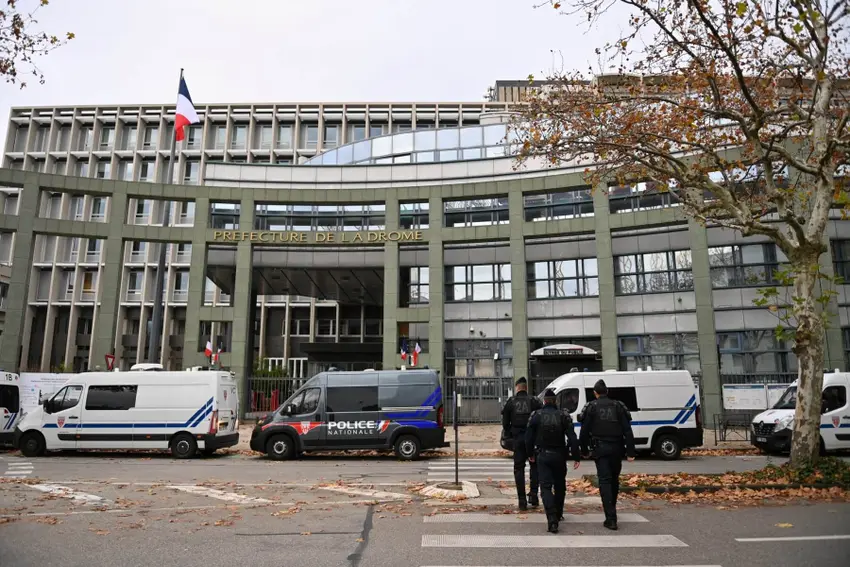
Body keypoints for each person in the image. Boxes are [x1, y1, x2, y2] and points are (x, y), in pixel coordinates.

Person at [579, 379, 637, 531]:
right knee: (614, 480)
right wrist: (630, 451)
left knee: (604, 481)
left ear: (595, 393)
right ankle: (612, 508)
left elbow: (584, 432)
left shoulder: (591, 407)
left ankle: (611, 517)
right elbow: (627, 430)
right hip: (617, 448)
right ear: (607, 392)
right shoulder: (618, 406)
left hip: (600, 449)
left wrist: (584, 451)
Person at [525, 388, 580, 534]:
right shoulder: (563, 415)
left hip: (543, 455)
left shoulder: (537, 415)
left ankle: (552, 520)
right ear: (555, 401)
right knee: (560, 486)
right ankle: (558, 513)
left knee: (546, 488)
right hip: (559, 455)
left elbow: (528, 437)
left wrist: (529, 454)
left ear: (544, 401)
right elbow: (572, 437)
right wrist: (576, 455)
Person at [501, 377, 542, 510]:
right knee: (534, 466)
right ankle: (534, 495)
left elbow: (505, 423)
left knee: (519, 469)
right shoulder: (534, 401)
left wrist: (509, 433)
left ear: (517, 388)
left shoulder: (511, 402)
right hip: (533, 439)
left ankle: (522, 500)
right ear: (526, 388)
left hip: (518, 439)